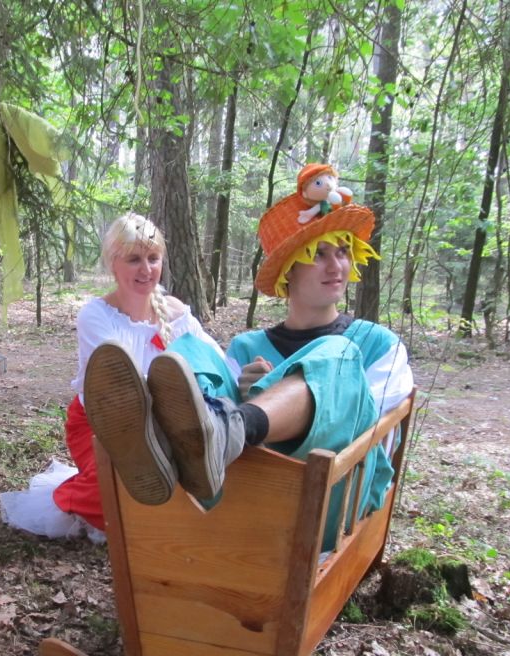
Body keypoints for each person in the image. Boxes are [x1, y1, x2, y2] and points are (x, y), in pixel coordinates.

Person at [84, 167, 414, 551]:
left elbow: (364, 424)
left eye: (343, 252)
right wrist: (241, 393)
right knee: (189, 349)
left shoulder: (378, 345)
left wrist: (273, 396)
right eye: (319, 254)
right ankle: (156, 445)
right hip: (241, 502)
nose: (335, 265)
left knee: (337, 354)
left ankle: (232, 426)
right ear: (289, 268)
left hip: (330, 504)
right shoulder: (246, 347)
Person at [0, 213, 225, 537]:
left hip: (171, 423)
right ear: (113, 264)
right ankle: (74, 498)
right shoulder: (97, 315)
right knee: (126, 485)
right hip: (103, 423)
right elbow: (119, 385)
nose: (146, 269)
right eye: (134, 259)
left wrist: (245, 373)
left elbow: (214, 359)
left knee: (190, 474)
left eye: (153, 258)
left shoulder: (176, 312)